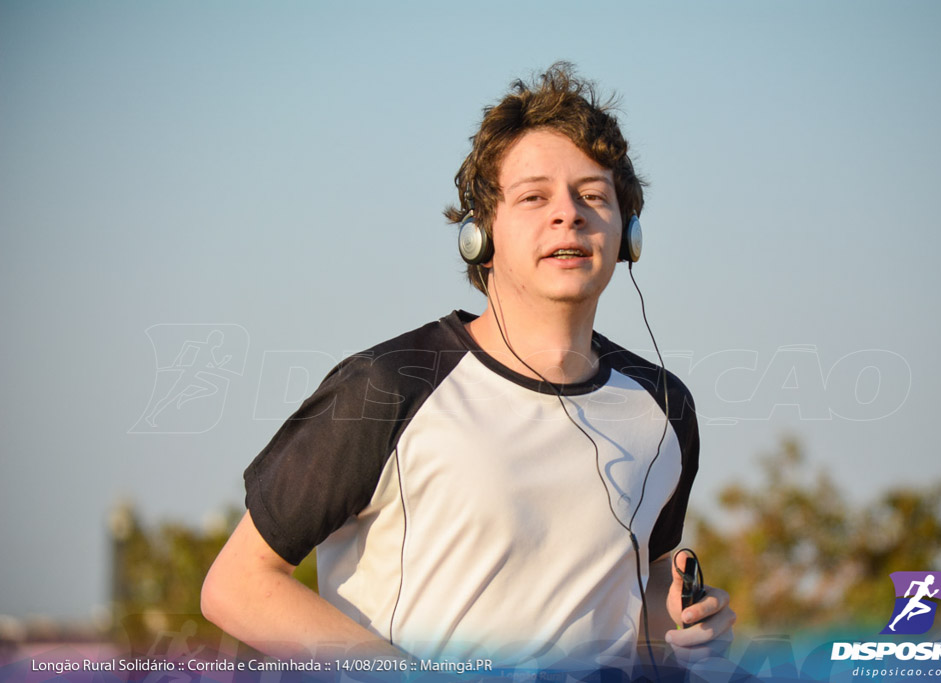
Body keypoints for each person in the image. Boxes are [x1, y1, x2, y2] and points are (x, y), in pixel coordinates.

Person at [201, 62, 734, 675]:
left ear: (628, 233)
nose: (569, 215)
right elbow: (237, 586)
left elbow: (648, 597)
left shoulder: (664, 406)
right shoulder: (392, 383)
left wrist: (688, 632)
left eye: (593, 195)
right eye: (534, 197)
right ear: (480, 235)